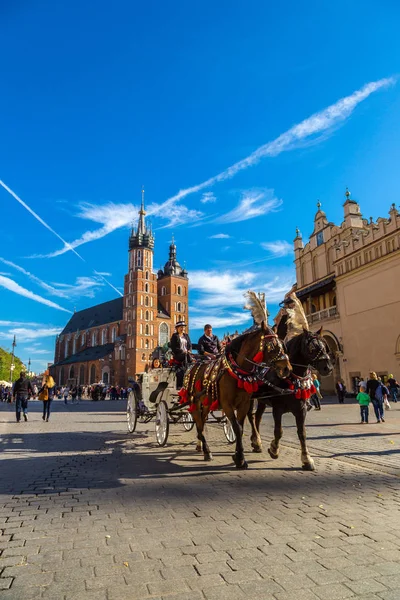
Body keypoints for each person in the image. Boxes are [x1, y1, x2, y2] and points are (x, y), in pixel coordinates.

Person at [170, 321, 192, 389]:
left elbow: (190, 345)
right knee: (187, 356)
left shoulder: (186, 336)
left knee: (189, 356)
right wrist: (182, 351)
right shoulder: (174, 336)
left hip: (186, 354)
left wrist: (189, 350)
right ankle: (189, 366)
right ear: (177, 328)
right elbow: (174, 348)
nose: (182, 328)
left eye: (183, 327)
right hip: (178, 355)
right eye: (181, 327)